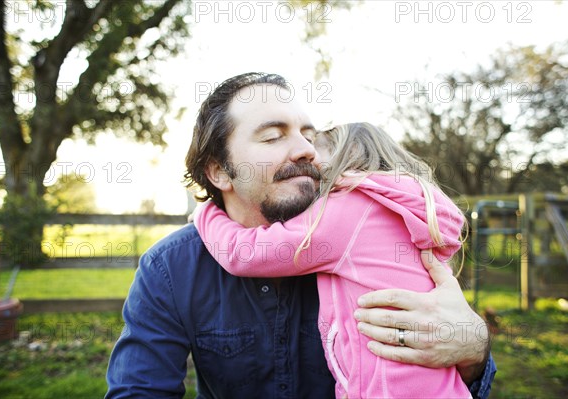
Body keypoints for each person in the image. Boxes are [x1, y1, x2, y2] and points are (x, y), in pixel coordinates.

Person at [105, 73, 496, 398]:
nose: (307, 150)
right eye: (273, 136)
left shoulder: (373, 236)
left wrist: (475, 350)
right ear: (219, 171)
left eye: (310, 135)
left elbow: (451, 376)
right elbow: (139, 390)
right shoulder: (171, 268)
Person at [194, 122, 472, 398]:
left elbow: (243, 253)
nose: (306, 156)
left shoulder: (348, 207)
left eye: (315, 149)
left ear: (344, 154)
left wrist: (206, 212)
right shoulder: (413, 209)